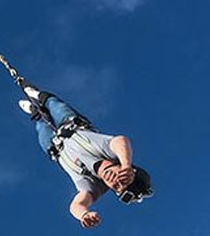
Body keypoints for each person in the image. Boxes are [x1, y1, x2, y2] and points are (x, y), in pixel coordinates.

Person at [16, 80, 153, 229]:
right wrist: (126, 164)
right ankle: (36, 94)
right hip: (69, 123)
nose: (114, 182)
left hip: (52, 145)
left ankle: (34, 111)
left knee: (40, 123)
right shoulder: (110, 153)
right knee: (54, 104)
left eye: (116, 187)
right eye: (122, 178)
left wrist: (84, 214)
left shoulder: (94, 187)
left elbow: (77, 204)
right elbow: (120, 141)